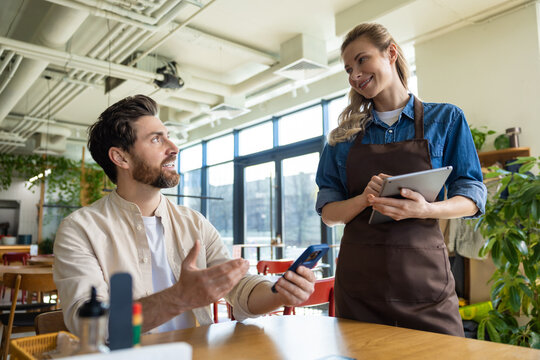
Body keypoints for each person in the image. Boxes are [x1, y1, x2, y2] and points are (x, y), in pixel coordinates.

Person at [54, 95, 316, 334]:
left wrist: (280, 292)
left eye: (167, 136)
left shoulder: (194, 223)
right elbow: (88, 325)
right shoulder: (80, 229)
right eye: (156, 139)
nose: (173, 147)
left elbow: (240, 288)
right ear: (121, 158)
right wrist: (179, 296)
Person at [315, 23, 487, 336]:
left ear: (390, 53)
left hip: (426, 288)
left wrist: (426, 210)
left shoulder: (446, 119)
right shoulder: (341, 139)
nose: (355, 75)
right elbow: (328, 214)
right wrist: (363, 199)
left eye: (362, 60)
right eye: (348, 69)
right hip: (359, 290)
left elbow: (472, 197)